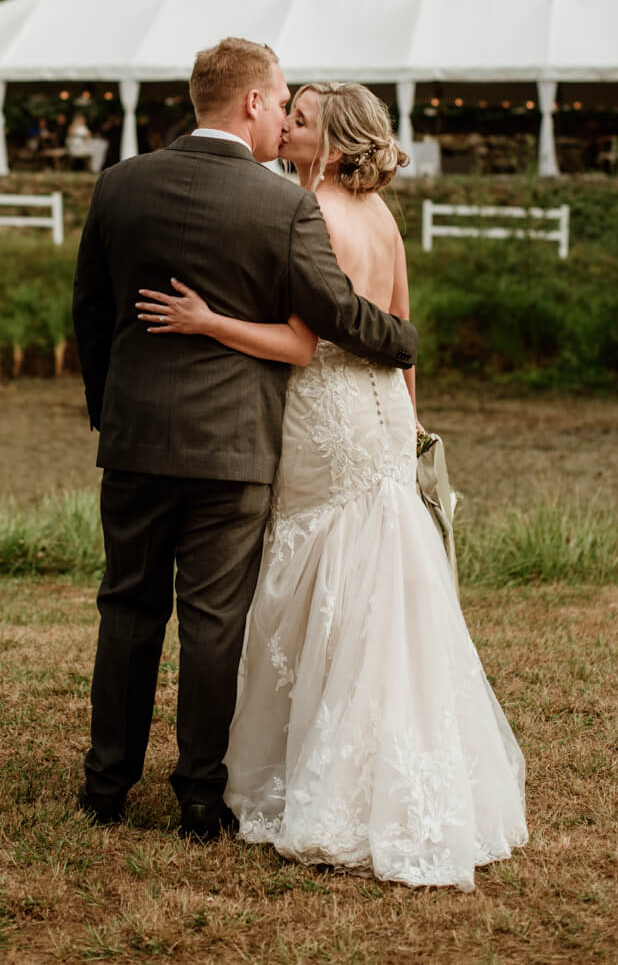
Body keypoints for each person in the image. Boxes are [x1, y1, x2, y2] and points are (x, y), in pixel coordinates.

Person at [138, 82, 527, 889]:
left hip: (326, 417)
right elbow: (402, 336)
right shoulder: (383, 218)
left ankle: (327, 779)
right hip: (380, 417)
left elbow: (301, 345)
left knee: (318, 580)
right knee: (381, 584)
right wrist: (408, 429)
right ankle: (405, 770)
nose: (286, 125)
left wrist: (207, 322)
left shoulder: (308, 214)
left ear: (337, 146)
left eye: (302, 120)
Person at [72, 41, 417, 843]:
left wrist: (110, 412)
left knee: (126, 609)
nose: (286, 111)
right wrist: (400, 340)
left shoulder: (119, 185)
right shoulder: (280, 206)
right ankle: (198, 797)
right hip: (233, 449)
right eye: (282, 97)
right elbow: (333, 314)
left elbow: (91, 315)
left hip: (134, 440)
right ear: (254, 104)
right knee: (213, 621)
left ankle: (104, 788)